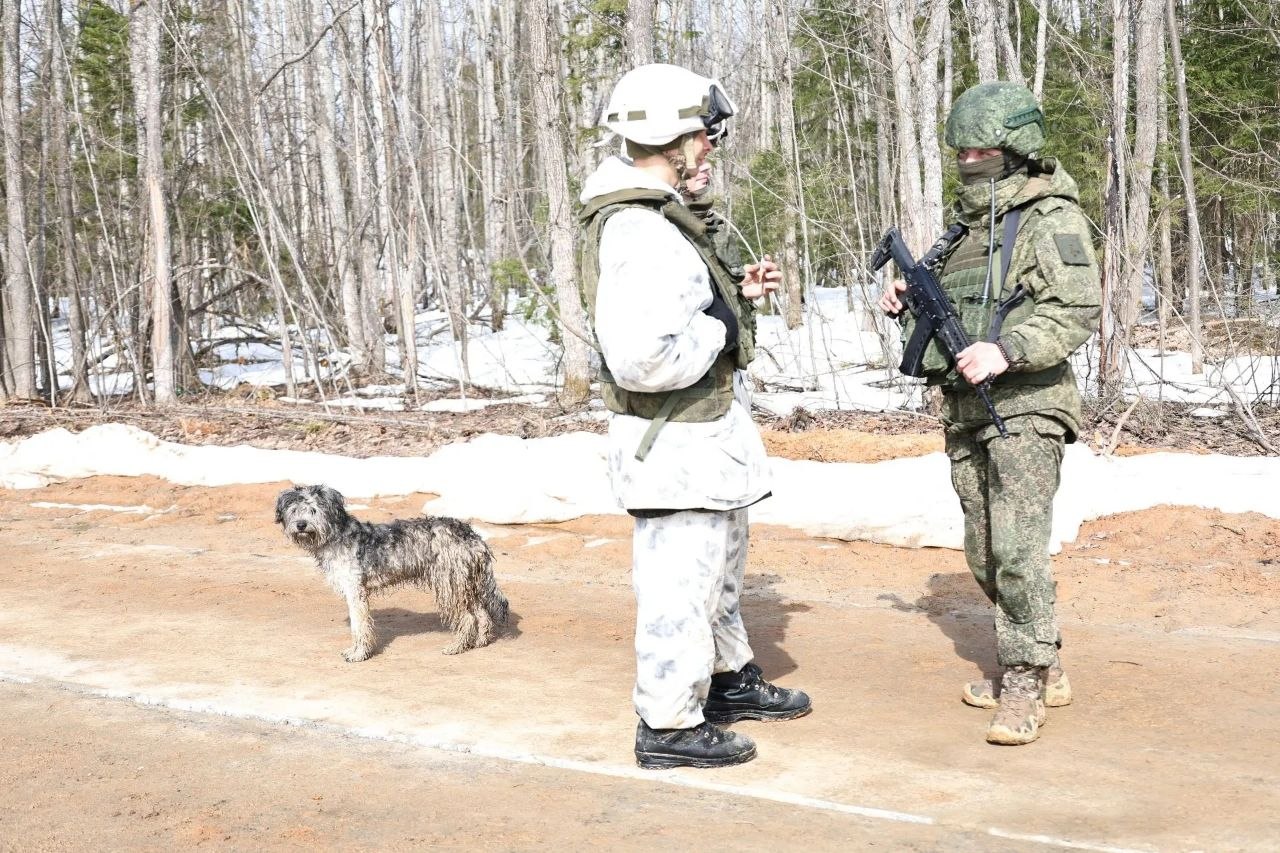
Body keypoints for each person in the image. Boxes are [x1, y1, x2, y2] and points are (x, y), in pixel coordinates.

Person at [578, 63, 811, 769]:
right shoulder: (638, 230)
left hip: (698, 436)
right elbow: (643, 359)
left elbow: (682, 307)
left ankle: (723, 680)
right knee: (680, 585)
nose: (710, 145)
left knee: (717, 573)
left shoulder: (662, 220)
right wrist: (723, 322)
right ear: (666, 138)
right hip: (671, 438)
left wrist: (730, 293)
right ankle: (670, 724)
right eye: (702, 134)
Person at [878, 82, 1101, 745]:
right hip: (968, 408)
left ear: (1015, 149)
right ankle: (1046, 659)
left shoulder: (1049, 218)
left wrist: (1008, 350)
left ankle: (1026, 679)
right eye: (962, 150)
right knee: (983, 547)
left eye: (982, 150)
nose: (969, 160)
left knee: (1019, 547)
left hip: (1027, 405)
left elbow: (1077, 307)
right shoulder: (965, 232)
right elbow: (955, 317)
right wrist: (905, 305)